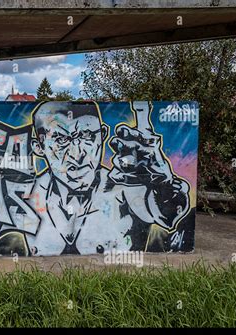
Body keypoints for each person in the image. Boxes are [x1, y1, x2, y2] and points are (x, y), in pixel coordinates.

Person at [25, 101, 190, 256]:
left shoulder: (123, 186)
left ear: (102, 136)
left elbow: (168, 213)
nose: (77, 155)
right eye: (61, 140)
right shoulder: (27, 195)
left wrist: (163, 183)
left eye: (88, 137)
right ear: (39, 147)